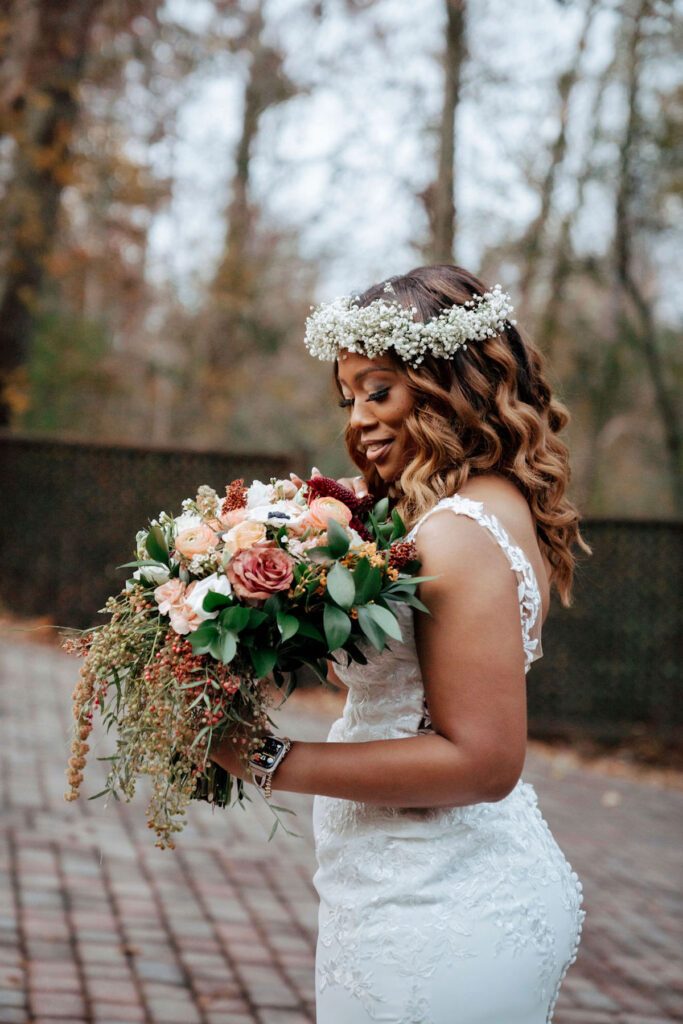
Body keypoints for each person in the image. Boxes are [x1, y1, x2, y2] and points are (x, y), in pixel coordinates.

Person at [210, 264, 588, 1024]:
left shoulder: (459, 534)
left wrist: (265, 758)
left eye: (379, 390)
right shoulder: (465, 512)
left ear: (454, 380)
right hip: (408, 884)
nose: (358, 419)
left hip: (439, 904)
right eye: (349, 397)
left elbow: (483, 762)